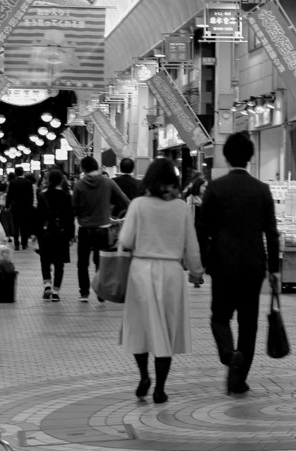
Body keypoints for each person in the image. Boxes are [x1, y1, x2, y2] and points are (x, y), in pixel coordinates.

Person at [118, 158, 204, 404]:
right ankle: (161, 388)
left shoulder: (138, 205)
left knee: (140, 327)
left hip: (141, 271)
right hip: (171, 273)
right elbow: (191, 245)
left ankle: (144, 376)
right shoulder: (180, 208)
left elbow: (125, 239)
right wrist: (196, 272)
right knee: (165, 330)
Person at [200, 132, 280, 395]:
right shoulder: (262, 190)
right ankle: (238, 379)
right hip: (253, 266)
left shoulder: (215, 188)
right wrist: (274, 269)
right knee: (249, 325)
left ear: (226, 156)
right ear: (250, 157)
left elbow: (202, 229)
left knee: (220, 317)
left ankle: (227, 353)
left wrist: (201, 263)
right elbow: (271, 231)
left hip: (222, 264)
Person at [72, 156, 130, 302]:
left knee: (83, 262)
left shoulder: (79, 185)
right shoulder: (108, 182)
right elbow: (124, 200)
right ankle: (101, 292)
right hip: (103, 229)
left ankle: (84, 293)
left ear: (83, 169)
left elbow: (74, 208)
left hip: (85, 228)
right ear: (97, 166)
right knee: (101, 261)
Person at [38, 170, 75, 302]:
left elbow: (39, 216)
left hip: (45, 233)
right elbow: (70, 217)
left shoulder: (42, 195)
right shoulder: (66, 196)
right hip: (61, 233)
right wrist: (71, 235)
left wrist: (36, 234)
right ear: (61, 181)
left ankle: (47, 284)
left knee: (45, 260)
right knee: (59, 263)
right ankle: (56, 292)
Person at [182, 173, 208, 284]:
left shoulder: (207, 200)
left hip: (205, 231)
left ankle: (197, 274)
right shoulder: (190, 199)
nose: (206, 189)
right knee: (195, 253)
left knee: (203, 253)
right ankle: (196, 276)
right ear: (198, 186)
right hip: (194, 230)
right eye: (204, 186)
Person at [5, 166, 37, 251]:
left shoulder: (12, 182)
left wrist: (7, 205)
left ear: (15, 173)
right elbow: (31, 196)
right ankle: (24, 243)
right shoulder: (28, 182)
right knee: (24, 226)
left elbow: (9, 195)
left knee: (15, 227)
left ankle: (16, 244)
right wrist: (30, 206)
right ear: (22, 172)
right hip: (25, 208)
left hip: (15, 207)